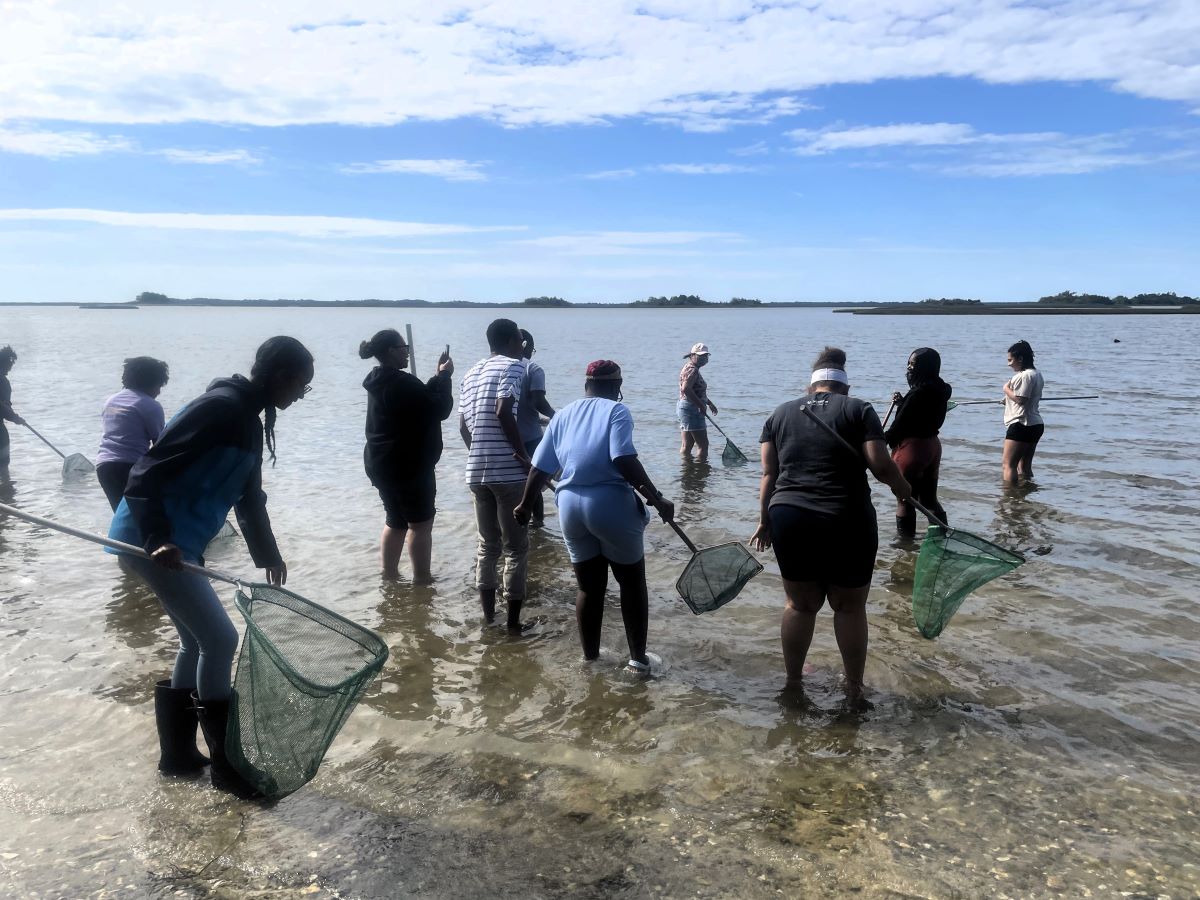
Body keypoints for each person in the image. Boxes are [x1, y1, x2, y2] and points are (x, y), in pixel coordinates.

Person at [109, 336, 314, 798]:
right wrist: (158, 537)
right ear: (281, 377)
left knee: (195, 641)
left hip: (181, 542)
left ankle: (179, 756)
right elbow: (145, 473)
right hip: (151, 540)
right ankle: (227, 769)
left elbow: (249, 496)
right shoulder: (220, 408)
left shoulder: (248, 418)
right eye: (301, 386)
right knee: (221, 639)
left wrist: (268, 555)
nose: (299, 396)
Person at [749, 347, 910, 706]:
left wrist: (764, 521)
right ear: (846, 388)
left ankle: (793, 683)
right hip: (846, 516)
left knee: (800, 605)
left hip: (789, 515)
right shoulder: (859, 409)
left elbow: (768, 475)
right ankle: (853, 688)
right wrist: (904, 490)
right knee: (849, 607)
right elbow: (881, 466)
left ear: (812, 387)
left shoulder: (779, 414)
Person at [514, 360, 675, 674]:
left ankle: (590, 658)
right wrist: (656, 498)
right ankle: (637, 662)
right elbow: (623, 458)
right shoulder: (617, 411)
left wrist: (524, 504)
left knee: (588, 587)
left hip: (570, 505)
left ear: (586, 384)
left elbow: (539, 467)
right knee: (631, 584)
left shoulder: (562, 415)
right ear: (618, 385)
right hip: (609, 504)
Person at [359, 328, 454, 582]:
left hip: (381, 465)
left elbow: (422, 398)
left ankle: (388, 575)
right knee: (420, 525)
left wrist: (437, 377)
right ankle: (422, 580)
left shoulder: (378, 380)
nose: (407, 354)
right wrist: (445, 377)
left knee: (395, 521)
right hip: (408, 467)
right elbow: (440, 408)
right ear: (391, 351)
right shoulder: (400, 382)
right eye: (405, 349)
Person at [459, 319, 531, 630]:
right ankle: (513, 625)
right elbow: (503, 410)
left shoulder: (470, 372)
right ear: (513, 341)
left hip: (476, 471)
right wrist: (522, 455)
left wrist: (478, 451)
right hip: (507, 471)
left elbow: (463, 426)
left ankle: (489, 620)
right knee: (515, 548)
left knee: (487, 546)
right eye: (520, 340)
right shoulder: (514, 367)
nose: (522, 346)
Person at [885, 348, 952, 534]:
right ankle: (941, 536)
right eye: (908, 363)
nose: (908, 368)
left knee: (905, 499)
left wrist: (877, 441)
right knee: (929, 499)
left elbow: (899, 426)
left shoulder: (918, 394)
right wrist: (902, 403)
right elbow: (920, 414)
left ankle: (905, 547)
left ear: (924, 367)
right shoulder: (940, 389)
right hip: (932, 446)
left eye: (913, 365)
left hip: (912, 450)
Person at [96, 357, 170, 511]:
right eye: (159, 386)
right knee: (145, 517)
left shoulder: (111, 401)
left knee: (121, 515)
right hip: (130, 468)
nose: (159, 391)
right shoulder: (150, 405)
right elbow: (161, 444)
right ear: (152, 383)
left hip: (104, 466)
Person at [517, 329, 556, 527]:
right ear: (527, 346)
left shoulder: (497, 369)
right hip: (530, 437)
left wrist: (538, 418)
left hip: (506, 437)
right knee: (534, 480)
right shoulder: (532, 368)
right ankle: (538, 522)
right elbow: (538, 401)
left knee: (514, 483)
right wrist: (556, 416)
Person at [1002, 339, 1044, 484]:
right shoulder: (1037, 373)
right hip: (1035, 424)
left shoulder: (1024, 376)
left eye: (1010, 360)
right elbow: (1028, 398)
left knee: (1008, 465)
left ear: (1020, 358)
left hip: (1021, 424)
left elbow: (1021, 400)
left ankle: (1010, 497)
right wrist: (1007, 399)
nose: (1009, 364)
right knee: (1024, 466)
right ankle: (1025, 495)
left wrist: (1006, 389)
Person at [678, 342, 718, 461]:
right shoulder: (693, 370)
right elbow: (686, 389)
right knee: (703, 445)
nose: (704, 358)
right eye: (700, 356)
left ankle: (686, 471)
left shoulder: (689, 367)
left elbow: (695, 391)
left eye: (706, 356)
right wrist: (700, 405)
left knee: (687, 445)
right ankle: (700, 474)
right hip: (691, 409)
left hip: (685, 407)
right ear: (692, 355)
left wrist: (709, 403)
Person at [0, 346, 25, 485]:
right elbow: (4, 409)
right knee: (3, 469)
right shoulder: (3, 382)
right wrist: (16, 418)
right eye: (10, 365)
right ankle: (6, 498)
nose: (10, 369)